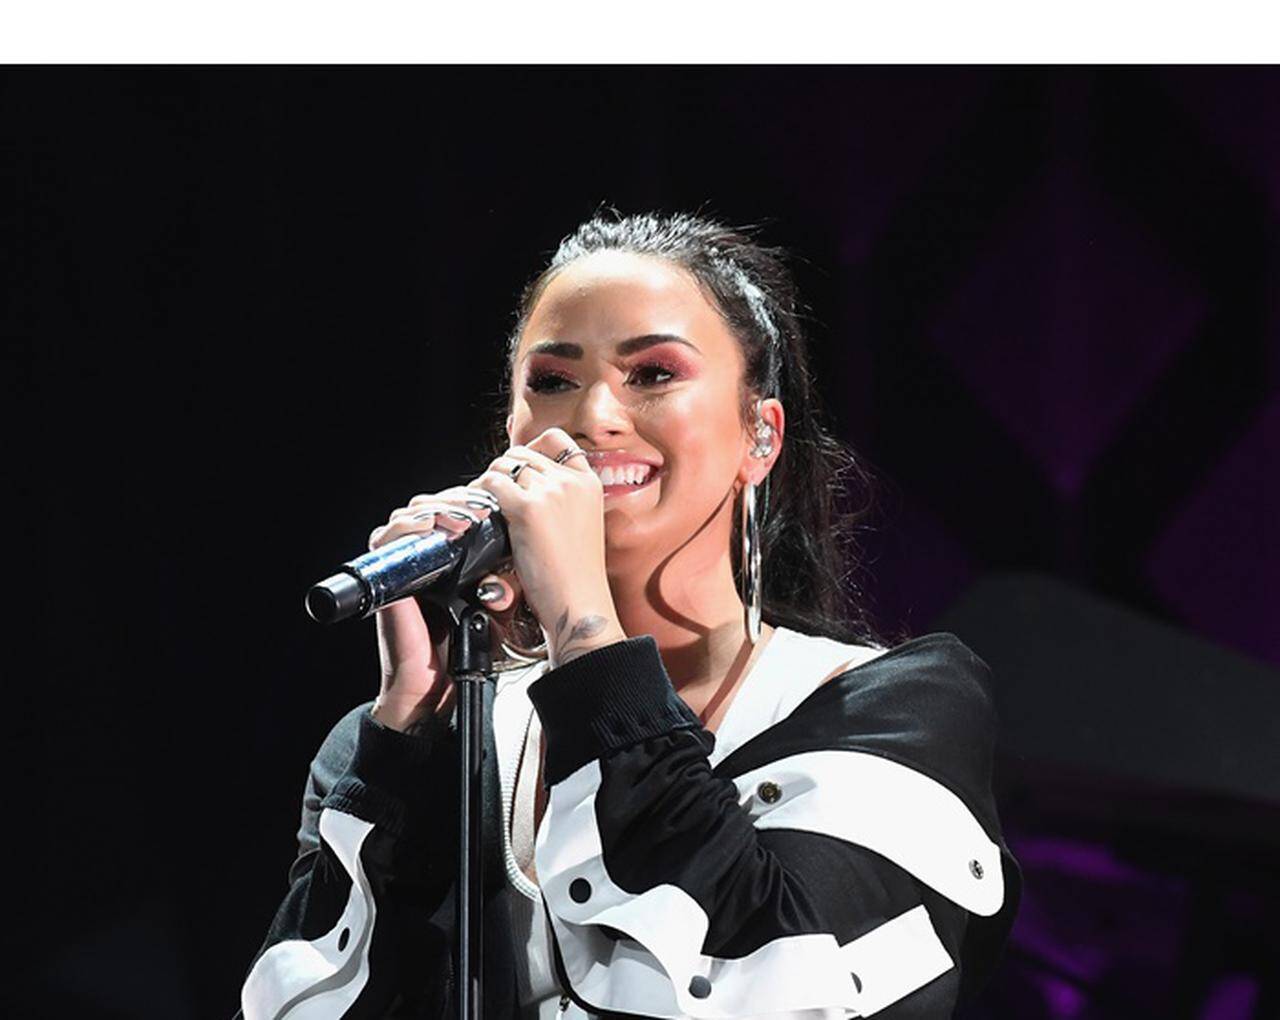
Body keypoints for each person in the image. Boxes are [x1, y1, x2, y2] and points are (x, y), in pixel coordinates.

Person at [236, 211, 1021, 1019]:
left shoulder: (892, 714)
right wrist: (405, 738)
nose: (594, 417)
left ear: (759, 435)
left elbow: (780, 993)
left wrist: (586, 632)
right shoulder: (417, 741)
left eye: (651, 374)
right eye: (553, 382)